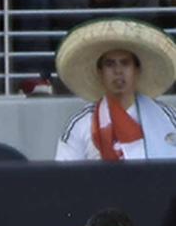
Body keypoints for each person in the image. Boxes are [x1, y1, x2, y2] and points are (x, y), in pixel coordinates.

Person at [55, 19, 176, 161]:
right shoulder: (81, 124)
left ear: (136, 70)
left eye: (125, 63)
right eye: (110, 64)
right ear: (100, 72)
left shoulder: (168, 118)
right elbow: (64, 179)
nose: (118, 71)